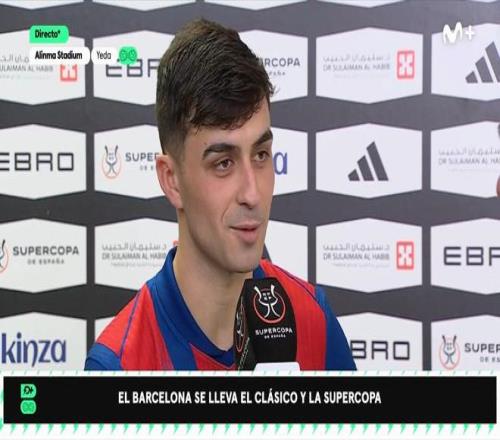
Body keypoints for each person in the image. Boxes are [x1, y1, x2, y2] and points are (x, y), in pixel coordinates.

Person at [85, 18, 356, 371]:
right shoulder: (119, 365)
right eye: (223, 163)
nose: (252, 194)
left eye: (261, 155)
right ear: (172, 180)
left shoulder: (313, 321)